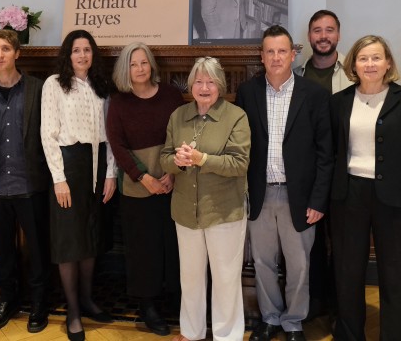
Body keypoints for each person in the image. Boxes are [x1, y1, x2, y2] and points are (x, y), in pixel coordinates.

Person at [235, 25, 333, 341]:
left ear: (293, 54)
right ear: (261, 56)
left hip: (300, 197)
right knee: (263, 263)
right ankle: (270, 319)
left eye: (282, 51)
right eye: (270, 51)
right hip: (260, 194)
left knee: (299, 266)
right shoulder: (247, 93)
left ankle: (293, 322)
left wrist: (318, 201)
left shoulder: (315, 95)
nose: (276, 57)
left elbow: (325, 153)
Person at [160, 56, 250, 341]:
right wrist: (177, 161)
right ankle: (191, 332)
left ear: (220, 85)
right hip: (186, 211)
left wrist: (203, 159)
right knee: (190, 278)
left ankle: (227, 336)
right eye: (198, 81)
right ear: (191, 85)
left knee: (225, 278)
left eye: (211, 81)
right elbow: (165, 159)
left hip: (224, 211)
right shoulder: (178, 116)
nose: (204, 87)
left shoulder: (236, 116)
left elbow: (239, 164)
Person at [330, 35, 401, 341]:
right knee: (348, 271)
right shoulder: (338, 102)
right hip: (349, 194)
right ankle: (349, 335)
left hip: (395, 197)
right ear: (353, 64)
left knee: (395, 272)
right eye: (363, 58)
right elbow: (333, 152)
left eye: (376, 58)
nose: (370, 64)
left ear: (388, 63)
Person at [0, 29, 51, 333]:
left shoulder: (37, 89)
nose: (0, 55)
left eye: (6, 49)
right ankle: (8, 300)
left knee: (38, 248)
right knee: (3, 249)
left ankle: (40, 303)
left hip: (30, 184)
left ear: (17, 53)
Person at [41, 29, 116, 341]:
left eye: (87, 50)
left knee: (90, 235)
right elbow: (48, 134)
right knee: (69, 241)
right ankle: (72, 310)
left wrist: (110, 173)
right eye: (76, 50)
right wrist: (59, 179)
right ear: (67, 54)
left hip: (98, 166)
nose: (82, 55)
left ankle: (86, 299)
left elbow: (111, 134)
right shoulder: (54, 85)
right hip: (69, 166)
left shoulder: (102, 87)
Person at [106, 42, 183, 336]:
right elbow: (118, 146)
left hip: (173, 183)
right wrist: (144, 177)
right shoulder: (119, 102)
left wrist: (172, 174)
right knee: (143, 250)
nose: (139, 69)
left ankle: (176, 301)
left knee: (173, 247)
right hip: (138, 190)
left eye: (143, 62)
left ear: (152, 65)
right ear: (125, 69)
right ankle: (147, 306)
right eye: (133, 64)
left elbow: (182, 135)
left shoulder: (172, 96)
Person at [294, 10, 350, 320]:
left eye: (329, 30)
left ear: (338, 35)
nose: (323, 36)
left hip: (344, 172)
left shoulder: (352, 75)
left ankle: (340, 305)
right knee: (311, 244)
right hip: (310, 175)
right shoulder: (299, 76)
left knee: (342, 243)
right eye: (317, 30)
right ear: (310, 36)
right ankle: (314, 303)